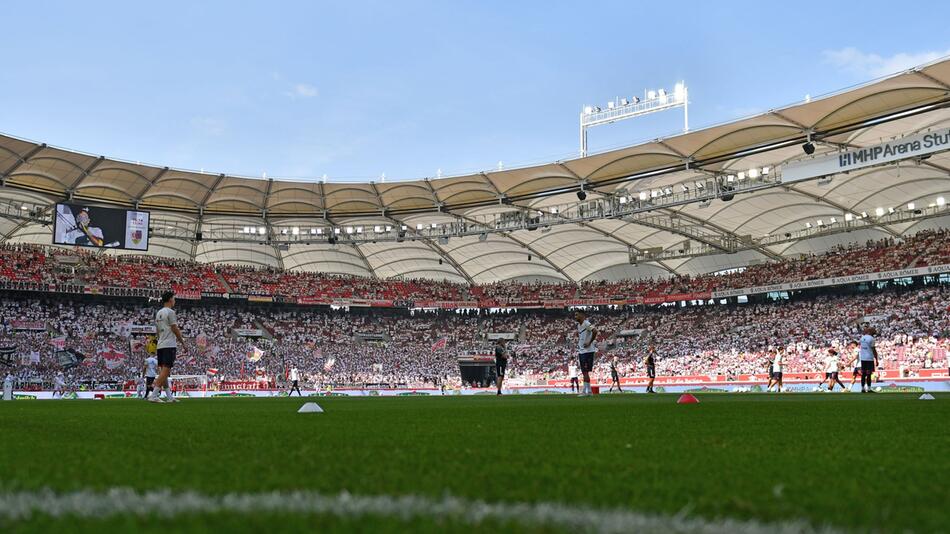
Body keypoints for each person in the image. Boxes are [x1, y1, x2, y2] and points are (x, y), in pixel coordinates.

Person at [148, 291, 185, 403]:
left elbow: (158, 330)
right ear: (170, 299)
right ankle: (154, 394)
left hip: (161, 344)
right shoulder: (170, 312)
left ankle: (169, 396)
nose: (174, 301)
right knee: (166, 369)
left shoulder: (159, 312)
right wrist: (182, 342)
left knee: (163, 370)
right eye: (174, 298)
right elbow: (174, 328)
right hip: (169, 344)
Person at [574, 310, 598, 396]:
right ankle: (589, 391)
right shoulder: (579, 325)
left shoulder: (586, 323)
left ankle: (585, 391)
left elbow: (595, 331)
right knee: (585, 372)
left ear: (582, 315)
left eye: (577, 315)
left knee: (585, 371)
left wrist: (589, 342)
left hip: (587, 351)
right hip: (582, 351)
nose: (575, 316)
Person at [858, 326, 880, 393]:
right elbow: (873, 349)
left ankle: (862, 388)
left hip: (863, 358)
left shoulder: (862, 338)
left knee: (863, 374)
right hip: (869, 358)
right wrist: (876, 359)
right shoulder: (871, 339)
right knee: (868, 374)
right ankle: (869, 389)